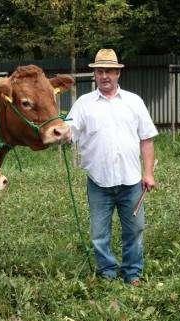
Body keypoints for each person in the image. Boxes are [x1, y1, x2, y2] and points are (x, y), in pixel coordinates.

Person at [67, 49, 158, 286]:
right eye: (100, 71)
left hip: (131, 182)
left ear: (118, 73)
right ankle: (107, 272)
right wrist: (56, 131)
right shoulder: (83, 104)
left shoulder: (134, 102)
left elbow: (147, 139)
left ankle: (133, 273)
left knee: (135, 231)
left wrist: (148, 173)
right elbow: (68, 131)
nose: (104, 75)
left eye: (109, 71)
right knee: (99, 235)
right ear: (94, 75)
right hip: (99, 182)